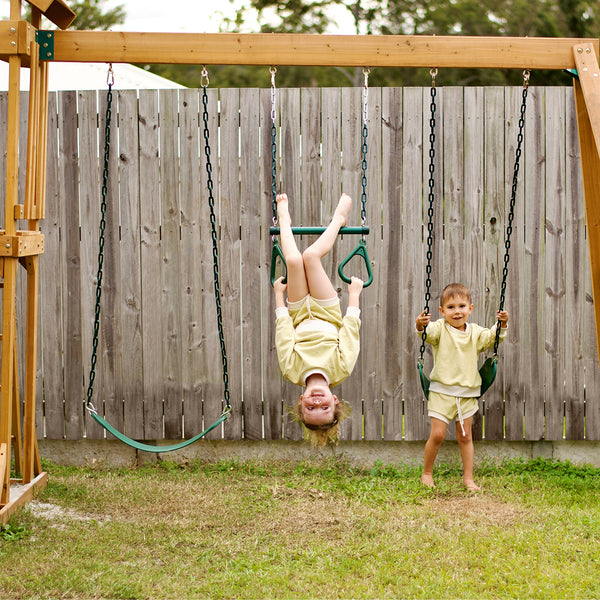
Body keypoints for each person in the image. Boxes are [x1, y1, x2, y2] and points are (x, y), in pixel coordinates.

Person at [273, 192, 363, 446]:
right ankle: (338, 220)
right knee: (310, 257)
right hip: (326, 311)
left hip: (299, 312)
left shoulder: (292, 371)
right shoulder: (341, 368)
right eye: (324, 408)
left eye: (311, 409)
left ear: (301, 402)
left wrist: (279, 297)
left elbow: (284, 334)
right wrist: (354, 295)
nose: (317, 404)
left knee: (292, 259)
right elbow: (350, 331)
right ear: (334, 401)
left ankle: (284, 218)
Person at [415, 282, 509, 491]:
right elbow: (427, 335)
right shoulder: (440, 328)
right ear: (442, 311)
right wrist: (421, 325)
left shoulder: (475, 332)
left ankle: (468, 479)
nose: (456, 311)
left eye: (461, 306)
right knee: (438, 435)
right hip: (441, 391)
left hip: (467, 394)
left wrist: (501, 324)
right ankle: (427, 473)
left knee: (465, 436)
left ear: (470, 308)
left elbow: (491, 339)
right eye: (450, 307)